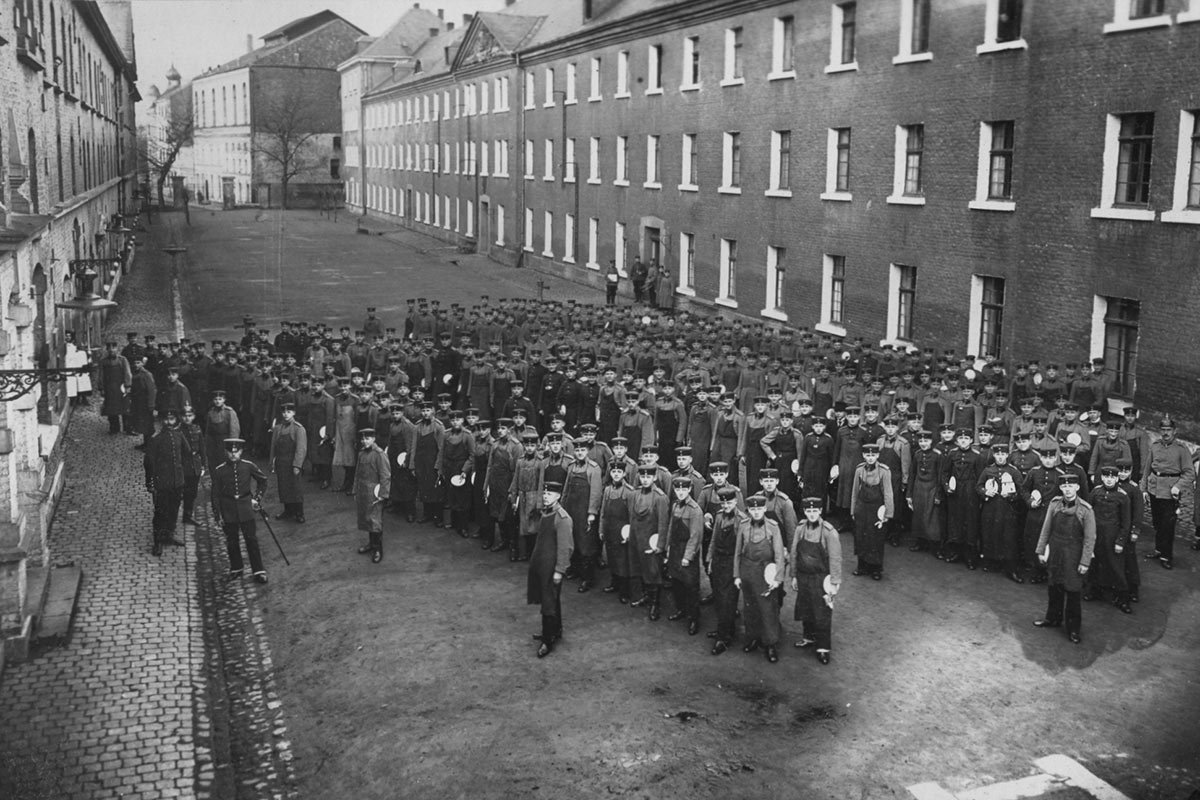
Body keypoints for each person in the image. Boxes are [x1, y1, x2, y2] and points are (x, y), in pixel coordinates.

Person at [1034, 473, 1096, 644]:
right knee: (1054, 586)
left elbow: (1090, 539)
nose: (1068, 490)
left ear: (1077, 488)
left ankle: (1073, 629)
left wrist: (1085, 562)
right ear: (1060, 488)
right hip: (1055, 551)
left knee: (1073, 591)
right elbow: (1046, 529)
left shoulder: (1086, 510)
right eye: (1064, 487)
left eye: (1071, 486)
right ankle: (1052, 619)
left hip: (1074, 555)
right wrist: (1040, 550)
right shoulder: (1054, 504)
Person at [790, 497, 842, 665]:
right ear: (805, 512)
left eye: (815, 511)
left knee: (822, 613)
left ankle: (823, 648)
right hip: (804, 576)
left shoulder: (829, 532)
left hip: (821, 579)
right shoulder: (800, 529)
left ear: (820, 511)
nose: (812, 514)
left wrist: (834, 582)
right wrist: (793, 575)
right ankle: (808, 638)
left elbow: (835, 558)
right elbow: (793, 553)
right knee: (805, 607)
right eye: (808, 511)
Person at [210, 438, 270, 584]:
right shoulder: (219, 470)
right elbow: (215, 495)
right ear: (226, 452)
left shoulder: (248, 466)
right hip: (228, 509)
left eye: (236, 452)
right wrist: (217, 515)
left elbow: (263, 480)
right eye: (230, 451)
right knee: (232, 541)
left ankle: (258, 570)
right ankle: (236, 568)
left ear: (241, 452)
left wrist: (256, 498)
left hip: (245, 508)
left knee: (251, 539)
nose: (233, 455)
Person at [734, 494, 785, 663]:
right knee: (750, 607)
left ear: (764, 509)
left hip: (765, 572)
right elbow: (737, 553)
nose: (756, 512)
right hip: (747, 570)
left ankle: (770, 644)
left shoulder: (773, 527)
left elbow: (779, 555)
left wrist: (777, 578)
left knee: (767, 609)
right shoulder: (743, 526)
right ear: (749, 510)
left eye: (759, 509)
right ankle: (753, 638)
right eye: (753, 509)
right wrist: (737, 575)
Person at [1139, 415, 1193, 571]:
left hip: (1171, 492)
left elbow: (1189, 473)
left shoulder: (1181, 450)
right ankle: (1158, 549)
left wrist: (1178, 486)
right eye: (1163, 430)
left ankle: (1166, 556)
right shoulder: (1155, 446)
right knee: (1157, 522)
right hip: (1154, 489)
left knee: (1167, 525)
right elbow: (1147, 469)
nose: (1165, 433)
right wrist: (1143, 489)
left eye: (1168, 430)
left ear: (1174, 431)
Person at [527, 481, 573, 658]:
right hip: (542, 566)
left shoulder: (563, 519)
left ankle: (548, 640)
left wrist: (559, 571)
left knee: (548, 602)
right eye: (545, 494)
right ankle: (556, 630)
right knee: (552, 599)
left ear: (558, 496)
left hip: (552, 568)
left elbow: (565, 548)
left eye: (550, 494)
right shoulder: (547, 512)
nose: (546, 496)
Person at [143, 408, 193, 556]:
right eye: (166, 419)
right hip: (162, 483)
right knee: (160, 513)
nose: (169, 422)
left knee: (174, 509)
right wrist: (150, 482)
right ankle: (157, 542)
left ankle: (169, 535)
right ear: (161, 421)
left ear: (176, 421)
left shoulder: (179, 435)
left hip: (177, 482)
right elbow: (149, 463)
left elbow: (187, 452)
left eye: (172, 419)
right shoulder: (155, 440)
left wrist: (182, 471)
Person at [705, 485, 745, 655]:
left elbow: (741, 549)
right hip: (719, 561)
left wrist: (737, 572)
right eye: (723, 504)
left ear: (735, 502)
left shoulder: (742, 520)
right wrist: (709, 559)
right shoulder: (719, 516)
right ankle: (727, 630)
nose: (726, 506)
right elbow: (714, 539)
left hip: (732, 562)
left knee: (729, 600)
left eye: (729, 503)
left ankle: (723, 638)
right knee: (721, 599)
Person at [628, 464, 669, 620]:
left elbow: (663, 524)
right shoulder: (635, 494)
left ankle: (655, 604)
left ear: (654, 478)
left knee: (653, 572)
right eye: (642, 477)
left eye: (648, 477)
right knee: (640, 569)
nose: (645, 480)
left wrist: (660, 546)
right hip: (637, 539)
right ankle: (646, 596)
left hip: (651, 542)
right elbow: (632, 517)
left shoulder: (661, 497)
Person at [665, 476, 705, 636]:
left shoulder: (695, 510)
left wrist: (687, 557)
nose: (680, 492)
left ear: (689, 490)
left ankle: (694, 619)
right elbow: (670, 529)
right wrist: (668, 548)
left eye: (683, 489)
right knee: (677, 583)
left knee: (690, 586)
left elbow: (696, 536)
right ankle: (681, 610)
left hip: (688, 552)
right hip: (675, 550)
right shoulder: (675, 505)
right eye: (677, 489)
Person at [850, 444, 894, 580]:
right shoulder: (859, 470)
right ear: (863, 455)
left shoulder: (884, 471)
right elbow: (855, 491)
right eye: (867, 455)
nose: (870, 458)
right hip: (862, 508)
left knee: (875, 538)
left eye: (873, 455)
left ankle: (875, 569)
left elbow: (888, 493)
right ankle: (862, 566)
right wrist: (853, 510)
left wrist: (888, 513)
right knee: (861, 536)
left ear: (877, 456)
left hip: (877, 509)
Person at [599, 462, 636, 602]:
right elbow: (603, 512)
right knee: (612, 558)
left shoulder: (629, 492)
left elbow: (632, 516)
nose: (616, 474)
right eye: (613, 472)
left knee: (623, 561)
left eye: (619, 472)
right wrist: (601, 530)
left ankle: (625, 591)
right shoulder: (607, 490)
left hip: (622, 532)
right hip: (610, 530)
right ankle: (614, 584)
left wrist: (628, 534)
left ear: (624, 474)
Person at [354, 428, 391, 563]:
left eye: (367, 438)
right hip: (363, 491)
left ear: (374, 439)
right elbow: (357, 474)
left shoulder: (379, 454)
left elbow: (386, 476)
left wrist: (383, 494)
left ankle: (378, 549)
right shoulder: (362, 454)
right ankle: (371, 544)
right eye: (362, 439)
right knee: (366, 519)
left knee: (375, 521)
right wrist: (355, 490)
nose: (364, 441)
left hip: (375, 492)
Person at [270, 402, 308, 523]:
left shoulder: (298, 428)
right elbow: (273, 447)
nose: (286, 415)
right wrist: (272, 462)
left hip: (292, 462)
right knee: (283, 487)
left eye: (289, 412)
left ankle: (299, 513)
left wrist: (297, 465)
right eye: (284, 412)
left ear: (294, 413)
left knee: (296, 488)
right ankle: (288, 511)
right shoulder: (278, 428)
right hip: (281, 462)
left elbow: (301, 448)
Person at [98, 340, 132, 433]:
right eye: (109, 349)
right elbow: (101, 375)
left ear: (117, 349)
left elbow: (127, 373)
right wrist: (101, 388)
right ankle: (114, 428)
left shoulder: (122, 360)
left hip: (121, 388)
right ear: (107, 350)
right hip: (109, 389)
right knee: (111, 409)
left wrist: (128, 386)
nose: (111, 351)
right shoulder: (103, 362)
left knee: (125, 408)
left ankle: (128, 428)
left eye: (113, 348)